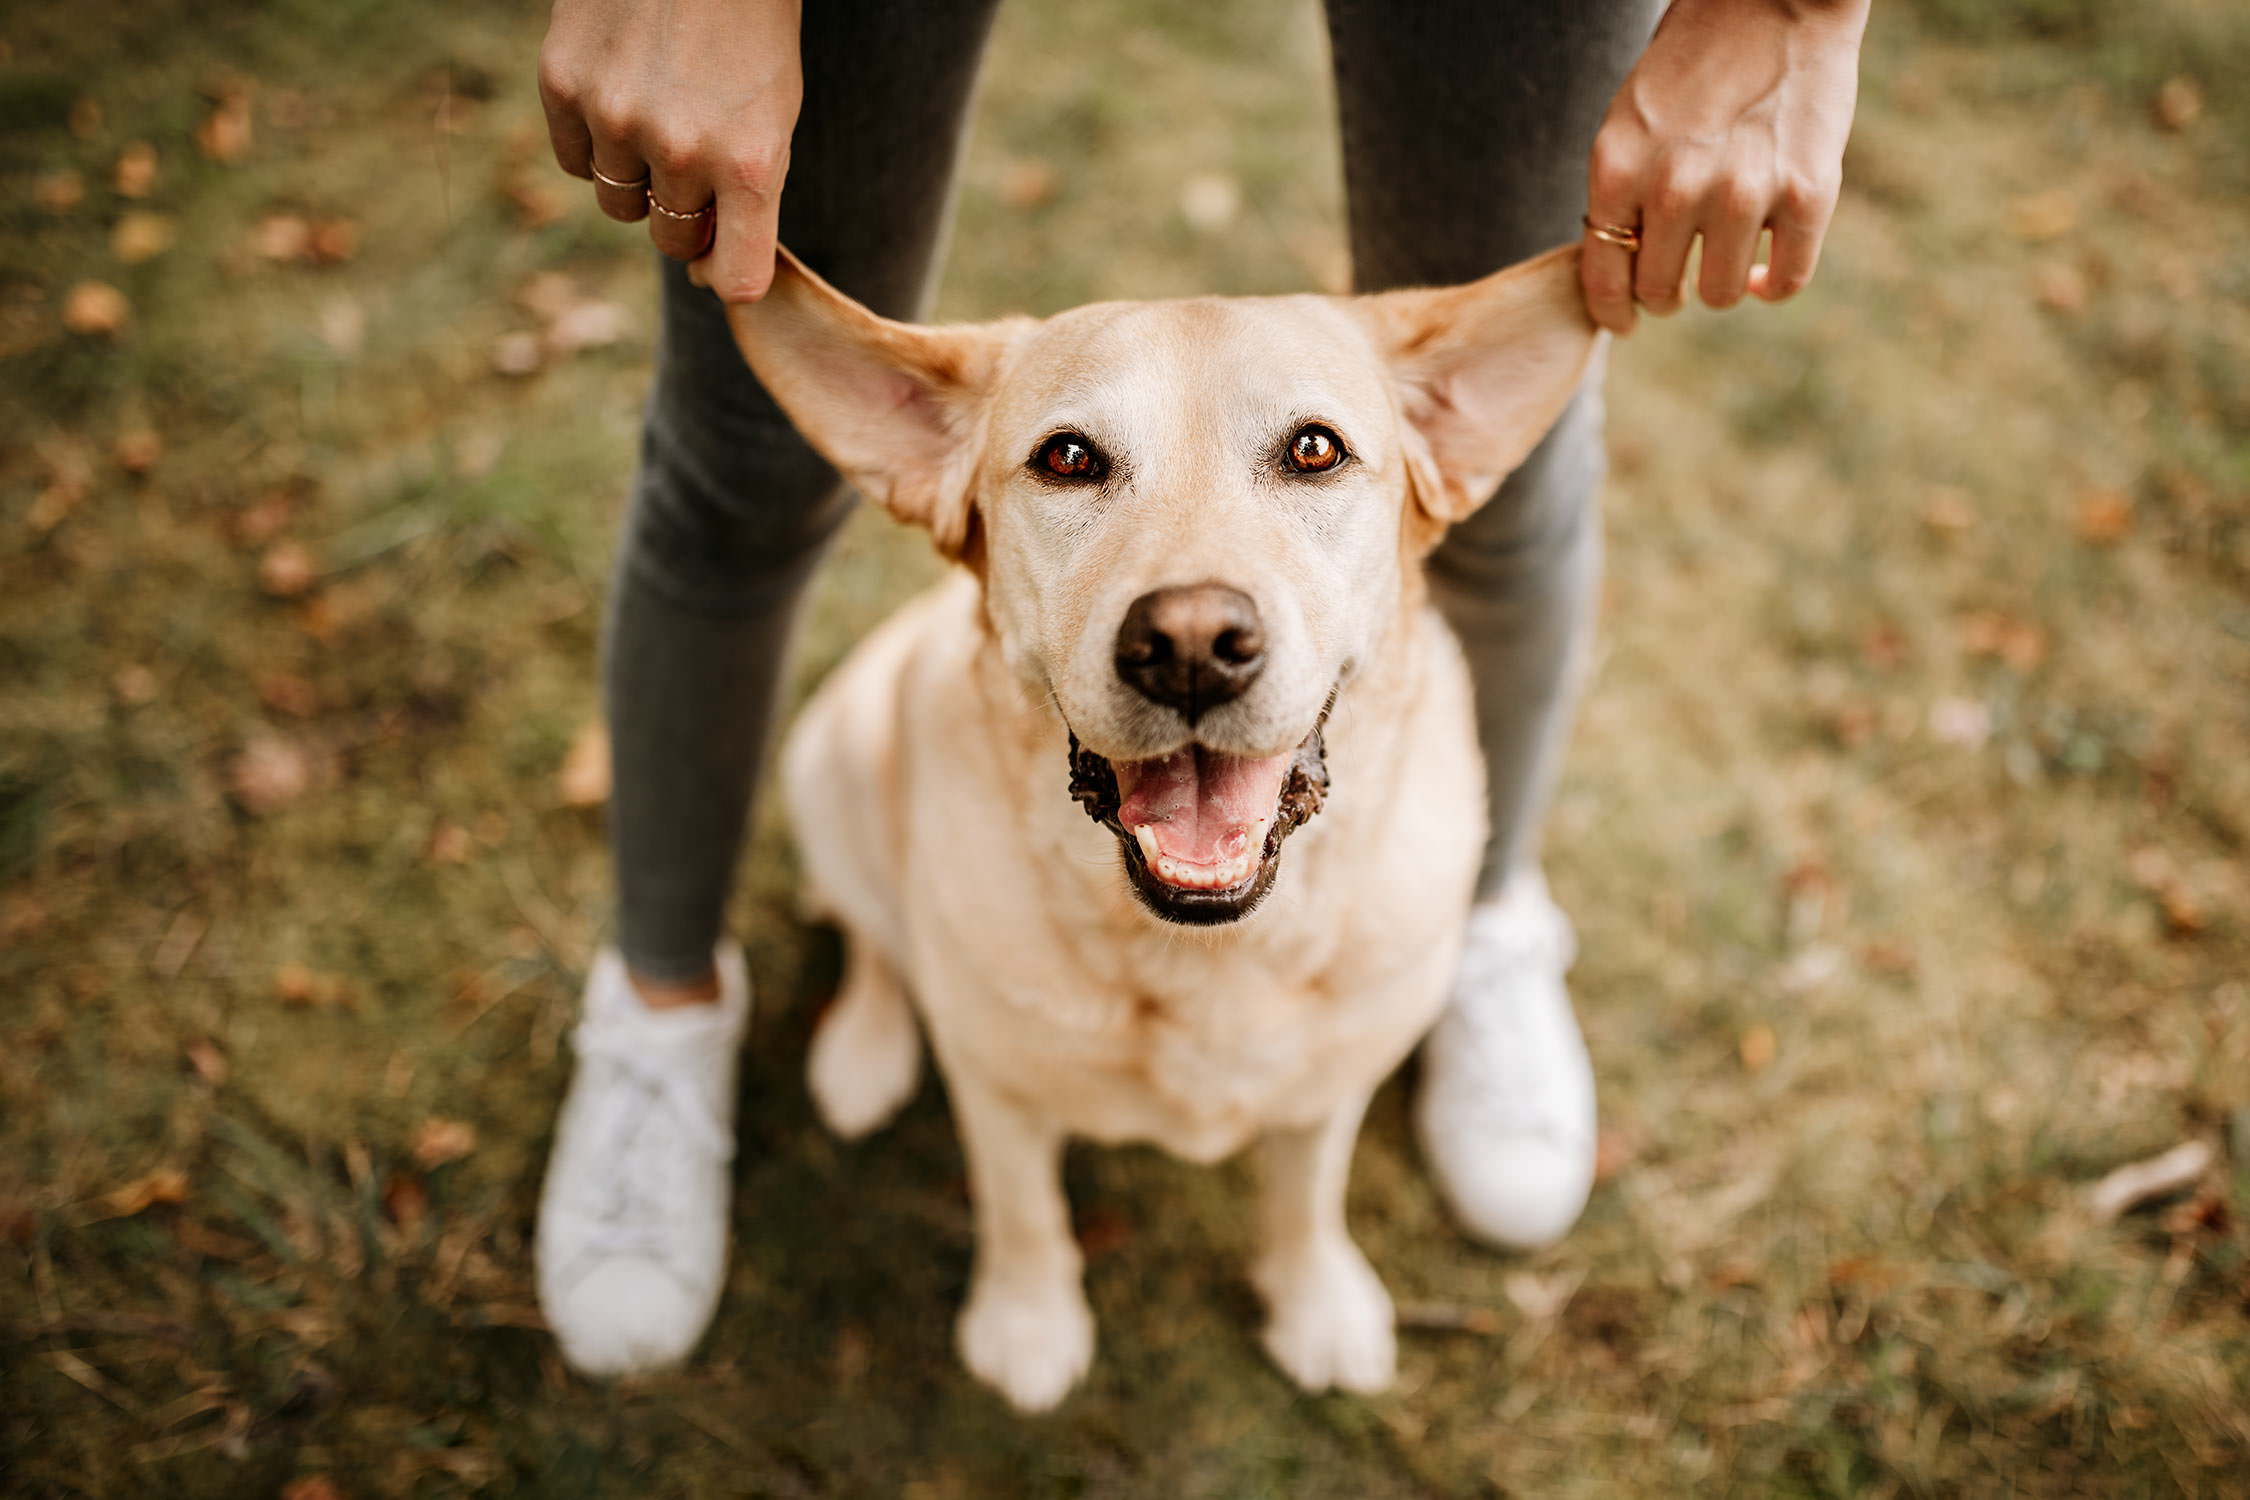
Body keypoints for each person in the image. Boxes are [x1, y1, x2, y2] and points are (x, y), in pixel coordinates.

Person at [528, 0, 1869, 1376]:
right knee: (739, 490)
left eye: (1304, 455)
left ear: (1436, 430)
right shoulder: (930, 484)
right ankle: (733, 998)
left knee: (1524, 540)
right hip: (982, 875)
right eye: (1069, 463)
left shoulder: (1447, 434)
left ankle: (1453, 984)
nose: (1190, 614)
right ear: (931, 457)